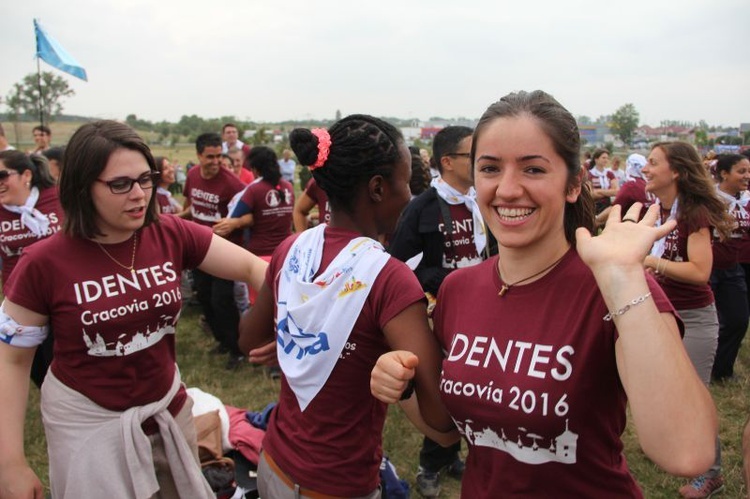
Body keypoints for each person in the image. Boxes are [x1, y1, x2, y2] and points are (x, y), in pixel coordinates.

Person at [371, 90, 717, 498]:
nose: (508, 189)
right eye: (490, 168)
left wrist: (623, 276)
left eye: (533, 169)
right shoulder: (458, 289)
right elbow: (448, 431)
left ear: (572, 185)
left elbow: (687, 452)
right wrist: (405, 387)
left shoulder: (610, 287)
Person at [0, 120, 268, 498]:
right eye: (120, 184)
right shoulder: (43, 262)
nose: (140, 194)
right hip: (89, 426)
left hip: (168, 412)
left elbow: (254, 268)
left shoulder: (171, 233)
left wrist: (282, 326)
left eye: (146, 179)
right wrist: (9, 462)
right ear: (81, 186)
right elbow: (10, 361)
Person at [238, 115, 457, 498]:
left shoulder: (294, 247)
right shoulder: (388, 278)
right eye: (404, 182)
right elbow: (441, 417)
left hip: (274, 462)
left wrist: (293, 333)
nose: (408, 195)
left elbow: (249, 339)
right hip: (339, 484)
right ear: (377, 188)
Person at [389, 126, 495, 497]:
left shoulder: (481, 201)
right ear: (448, 162)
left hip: (483, 312)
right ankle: (431, 464)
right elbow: (398, 267)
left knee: (476, 391)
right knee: (444, 390)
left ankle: (452, 455)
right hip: (440, 317)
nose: (483, 161)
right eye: (474, 155)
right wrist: (441, 279)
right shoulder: (421, 208)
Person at [639, 141, 733, 499]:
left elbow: (699, 271)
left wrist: (650, 262)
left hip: (693, 319)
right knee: (662, 395)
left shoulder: (692, 213)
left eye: (652, 162)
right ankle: (674, 452)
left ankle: (711, 473)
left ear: (676, 170)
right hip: (661, 316)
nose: (645, 168)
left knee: (695, 397)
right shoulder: (657, 210)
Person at [180, 132, 247, 370]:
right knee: (204, 297)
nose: (216, 161)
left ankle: (238, 350)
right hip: (197, 250)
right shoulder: (192, 175)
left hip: (224, 251)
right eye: (210, 157)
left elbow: (252, 214)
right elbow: (192, 207)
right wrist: (177, 219)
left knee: (222, 301)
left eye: (219, 156)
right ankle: (222, 340)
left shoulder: (233, 184)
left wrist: (236, 223)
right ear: (199, 155)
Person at [0, 150, 62, 388]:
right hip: (21, 303)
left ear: (26, 174)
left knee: (59, 362)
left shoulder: (56, 197)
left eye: (2, 175)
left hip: (61, 297)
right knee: (34, 368)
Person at [710, 153, 750, 383]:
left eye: (748, 171)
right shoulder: (711, 198)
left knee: (738, 319)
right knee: (709, 321)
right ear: (724, 173)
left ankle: (722, 370)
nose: (747, 176)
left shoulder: (746, 200)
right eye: (741, 171)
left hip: (733, 269)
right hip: (708, 267)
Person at [588, 148, 619, 214]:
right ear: (596, 159)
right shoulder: (589, 174)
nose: (606, 160)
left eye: (607, 158)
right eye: (603, 158)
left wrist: (598, 191)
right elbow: (591, 194)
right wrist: (608, 193)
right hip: (593, 206)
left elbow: (616, 191)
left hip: (607, 206)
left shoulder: (610, 174)